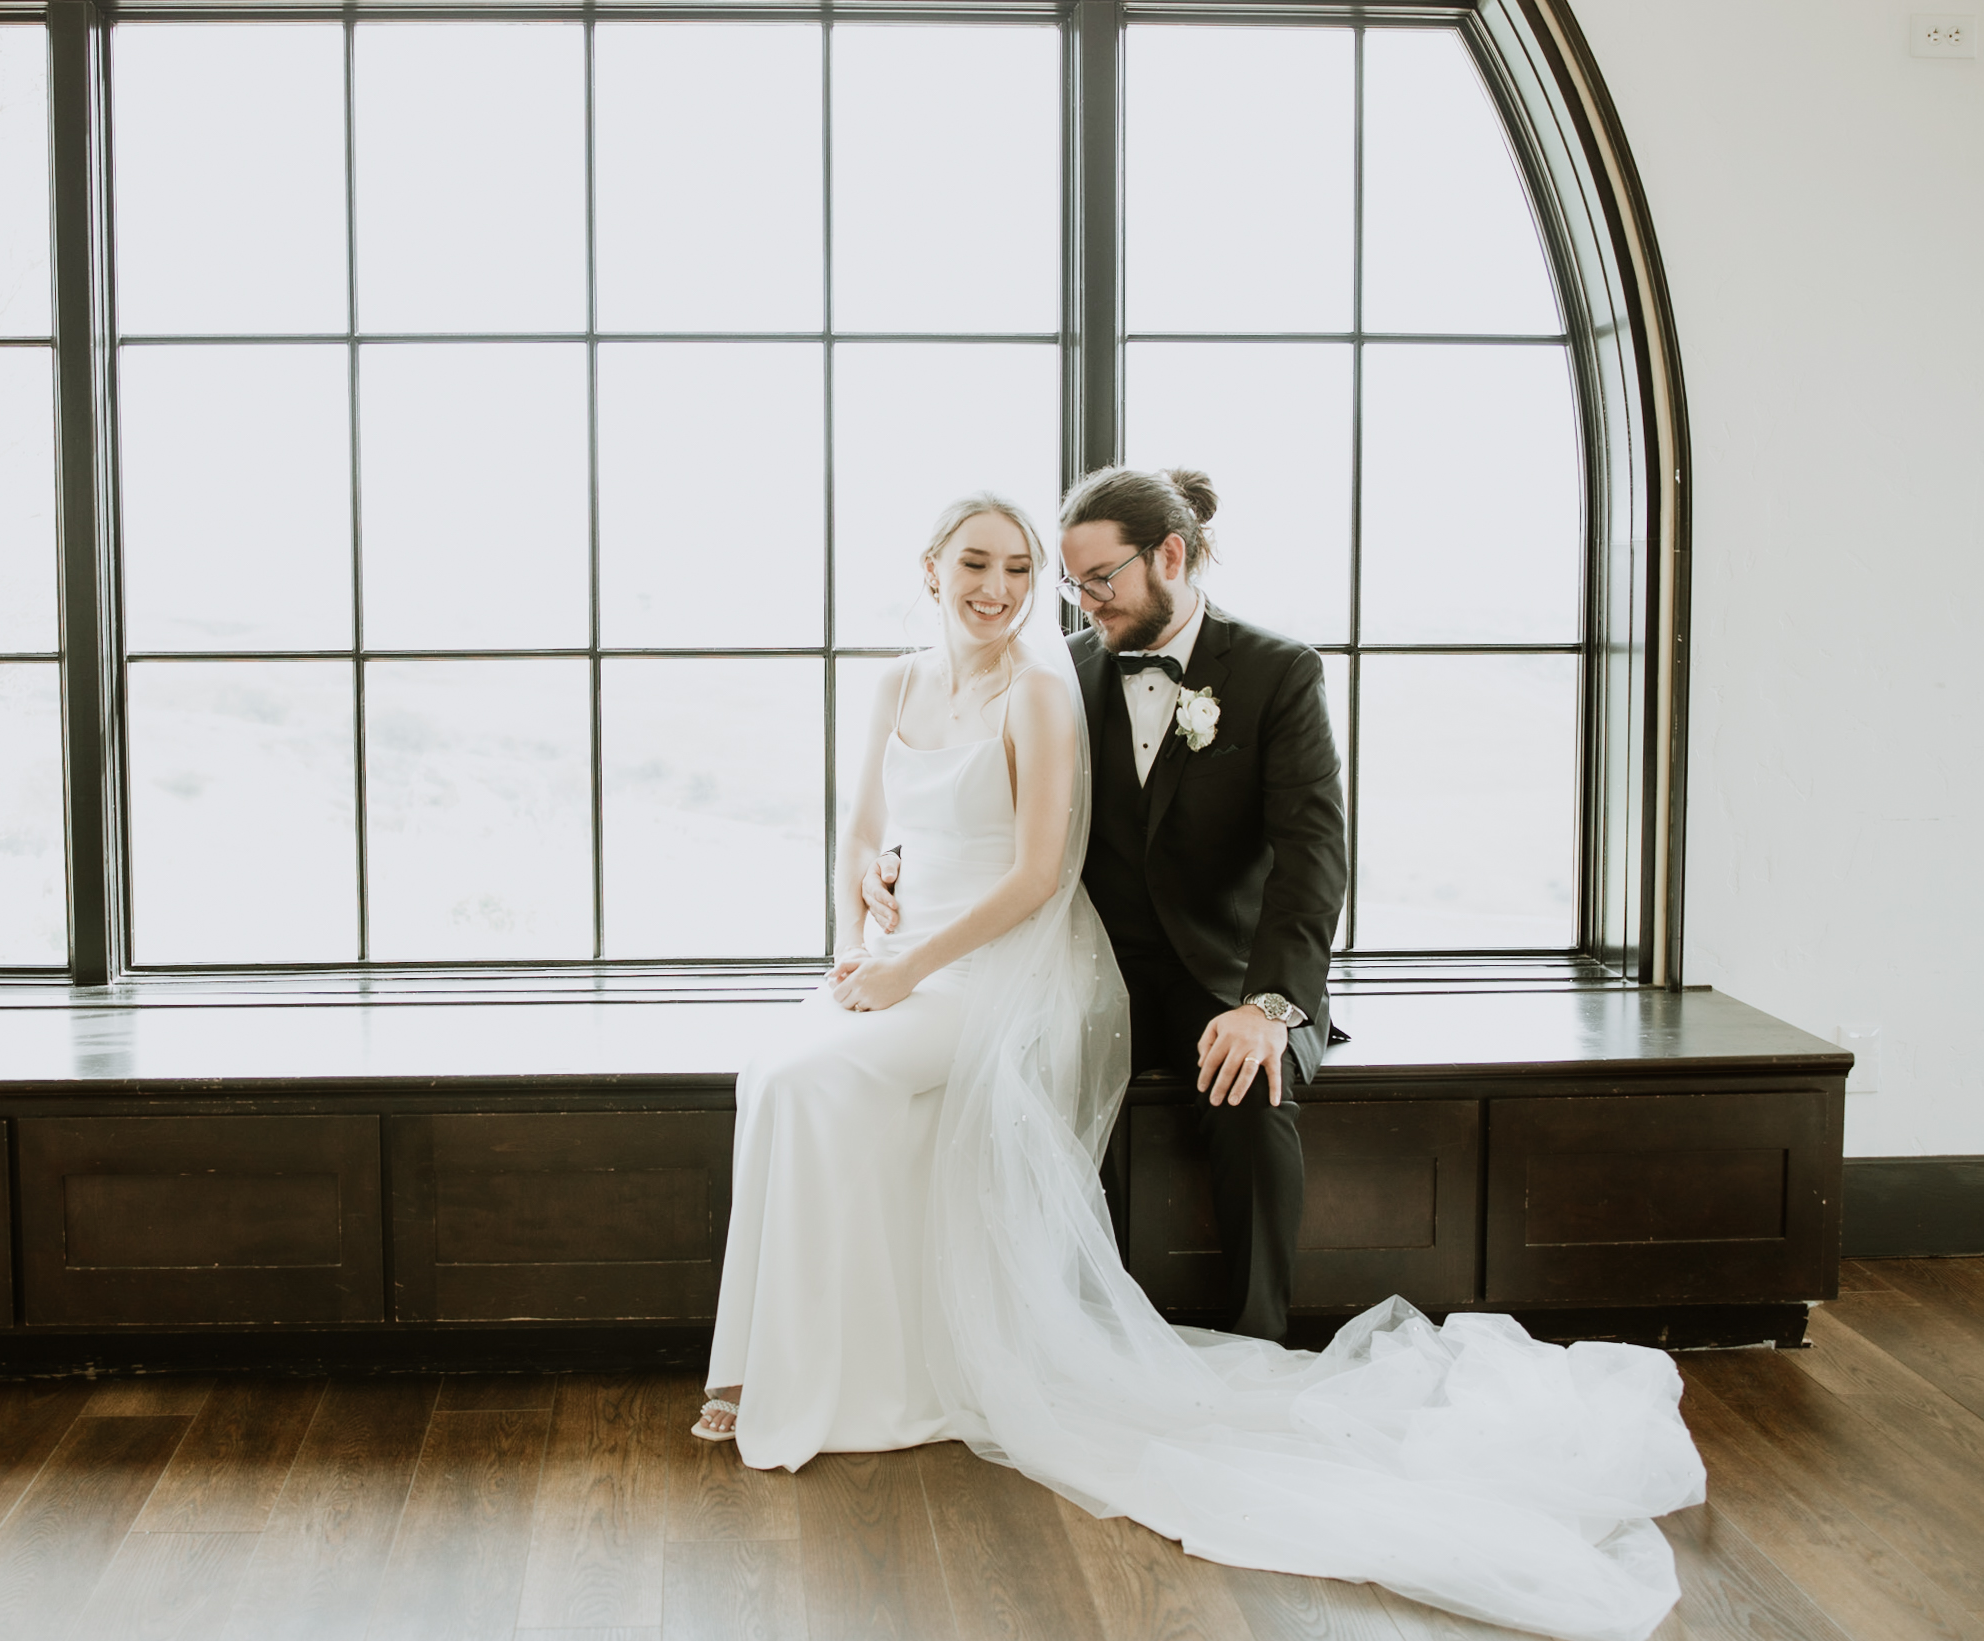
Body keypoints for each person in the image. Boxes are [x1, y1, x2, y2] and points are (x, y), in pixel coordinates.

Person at [695, 478, 1705, 1641]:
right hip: (1081, 957)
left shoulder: (1272, 673)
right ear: (933, 570)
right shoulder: (1063, 665)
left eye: (1089, 578)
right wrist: (876, 901)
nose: (1066, 601)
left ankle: (1260, 1333)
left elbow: (1311, 855)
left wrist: (1272, 1003)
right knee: (805, 1072)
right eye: (1057, 579)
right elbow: (932, 826)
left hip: (1219, 968)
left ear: (1170, 557)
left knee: (1246, 1088)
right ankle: (844, 1357)